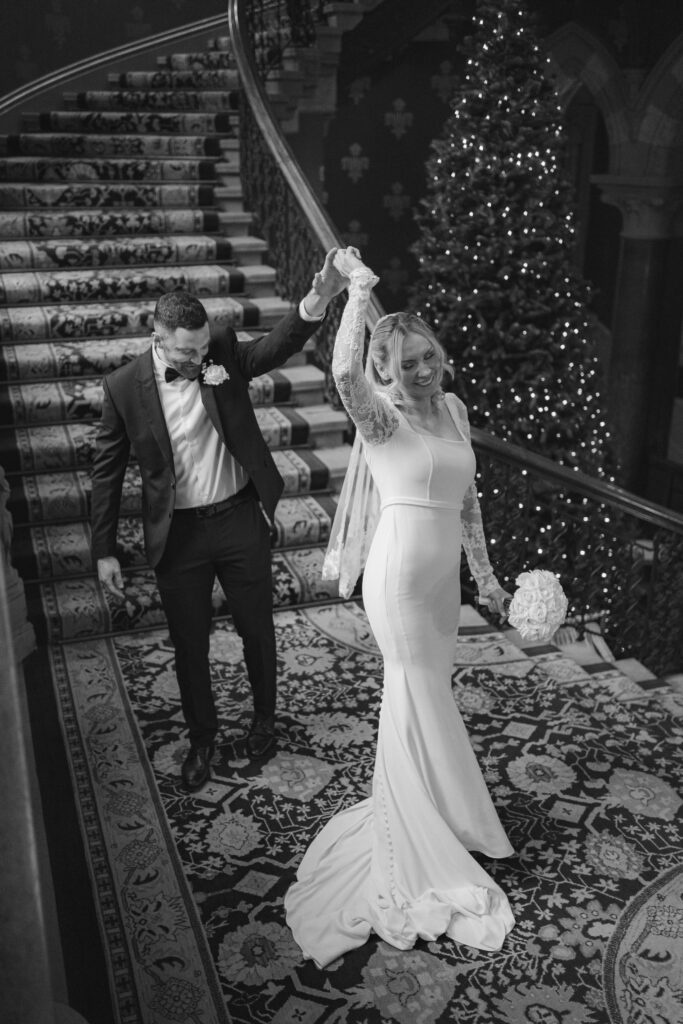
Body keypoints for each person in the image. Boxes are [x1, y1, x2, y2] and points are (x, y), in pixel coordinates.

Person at [284, 249, 516, 967]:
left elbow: (468, 501)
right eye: (406, 363)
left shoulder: (452, 408)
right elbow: (342, 373)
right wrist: (357, 294)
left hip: (442, 582)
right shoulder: (378, 417)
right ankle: (420, 839)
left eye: (428, 357)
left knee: (430, 696)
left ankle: (443, 817)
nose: (421, 371)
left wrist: (487, 578)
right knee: (412, 694)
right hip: (397, 581)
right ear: (385, 372)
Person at [91, 249, 348, 791]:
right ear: (158, 338)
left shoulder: (222, 352)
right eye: (187, 351)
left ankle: (264, 721)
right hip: (177, 535)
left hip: (237, 518)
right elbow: (107, 472)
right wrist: (104, 549)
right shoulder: (122, 388)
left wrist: (319, 297)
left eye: (203, 347)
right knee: (191, 644)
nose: (197, 357)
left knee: (257, 628)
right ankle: (201, 738)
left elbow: (275, 348)